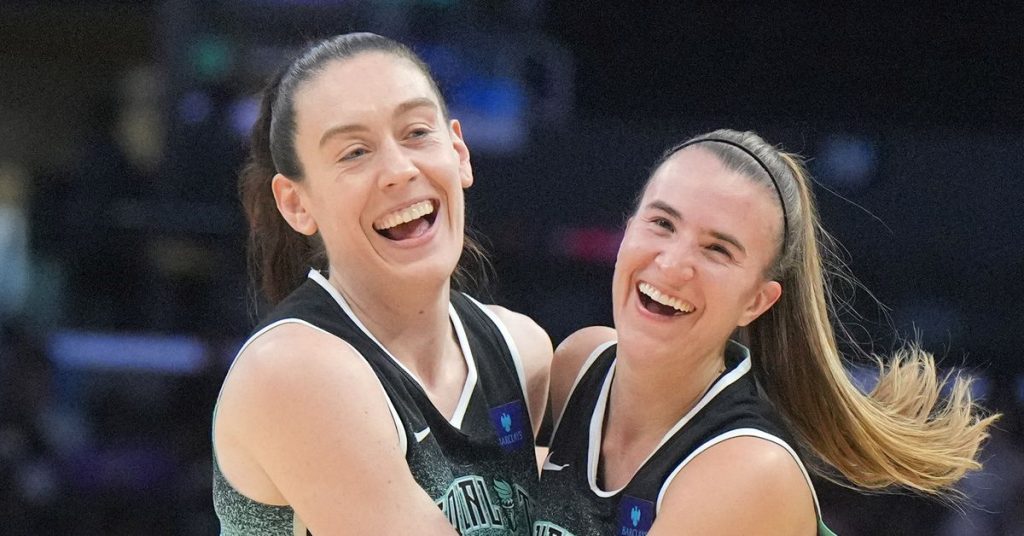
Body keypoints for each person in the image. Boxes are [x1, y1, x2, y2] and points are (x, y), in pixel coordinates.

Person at [531, 129, 997, 535]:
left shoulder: (750, 471)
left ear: (757, 301)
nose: (672, 264)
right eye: (662, 223)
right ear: (628, 231)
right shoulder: (580, 366)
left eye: (717, 249)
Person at [212, 33, 551, 535]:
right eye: (354, 152)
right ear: (296, 204)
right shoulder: (291, 370)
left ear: (459, 152)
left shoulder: (522, 353)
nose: (398, 170)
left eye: (416, 132)